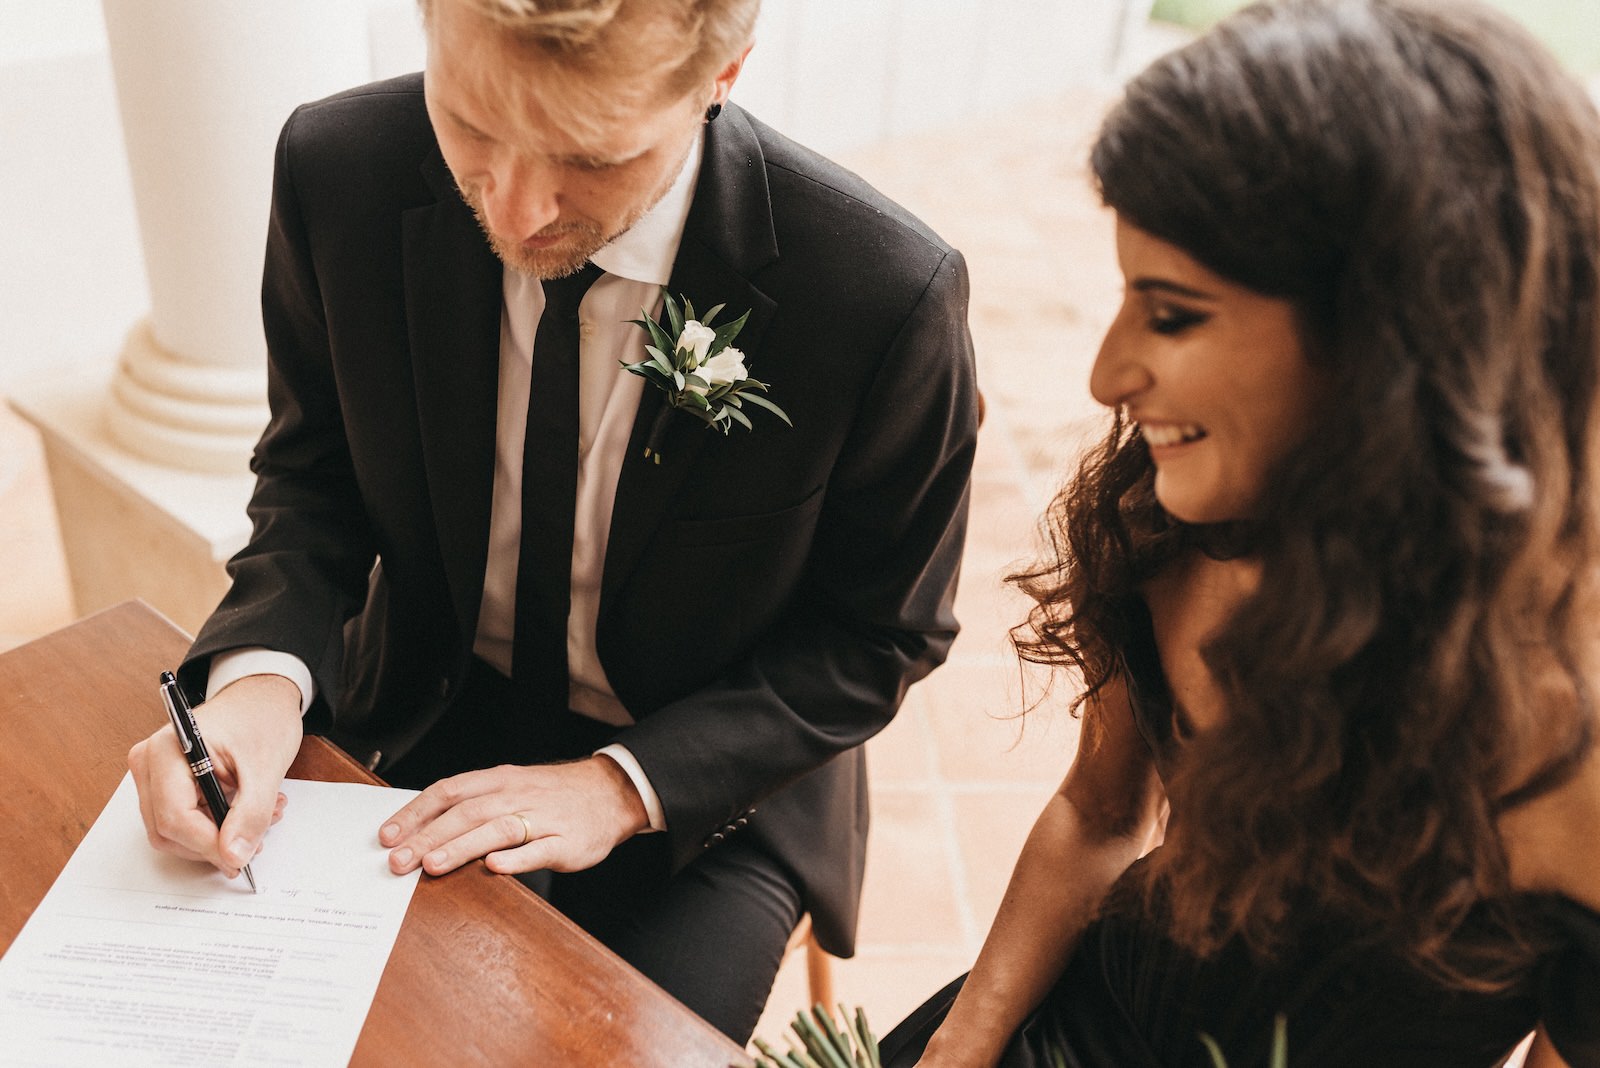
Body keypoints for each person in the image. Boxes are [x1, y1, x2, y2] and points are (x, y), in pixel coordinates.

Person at [125, 0, 978, 1043]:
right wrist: (258, 685)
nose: (521, 211)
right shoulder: (335, 170)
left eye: (589, 153)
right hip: (425, 700)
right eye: (472, 123)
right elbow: (314, 479)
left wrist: (621, 788)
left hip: (701, 787)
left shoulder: (880, 295)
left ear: (724, 75)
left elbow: (880, 632)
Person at [881, 1, 1600, 1065]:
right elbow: (1094, 813)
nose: (1106, 376)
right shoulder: (1163, 522)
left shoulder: (1573, 747)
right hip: (1073, 1027)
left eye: (1170, 312)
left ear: (1386, 340)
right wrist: (965, 1043)